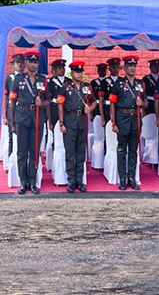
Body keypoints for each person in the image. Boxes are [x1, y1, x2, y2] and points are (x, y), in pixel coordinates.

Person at [9, 51, 50, 195]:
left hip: (37, 119)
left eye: (35, 62)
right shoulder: (18, 79)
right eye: (30, 62)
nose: (33, 65)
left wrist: (41, 103)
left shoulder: (43, 80)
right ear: (26, 63)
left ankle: (32, 182)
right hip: (21, 117)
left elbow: (48, 101)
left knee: (34, 151)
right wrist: (12, 122)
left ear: (38, 64)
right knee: (22, 152)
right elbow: (12, 101)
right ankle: (23, 182)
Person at [57, 61, 96, 193]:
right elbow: (60, 105)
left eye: (81, 72)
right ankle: (71, 180)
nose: (79, 74)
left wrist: (90, 108)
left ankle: (79, 180)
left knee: (80, 152)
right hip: (69, 120)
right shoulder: (65, 87)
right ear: (72, 73)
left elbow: (94, 102)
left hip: (81, 121)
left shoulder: (87, 86)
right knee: (70, 153)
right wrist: (61, 122)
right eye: (76, 72)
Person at [109, 56, 146, 190]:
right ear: (124, 68)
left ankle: (132, 178)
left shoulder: (141, 84)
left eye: (134, 66)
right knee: (121, 149)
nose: (132, 68)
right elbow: (112, 103)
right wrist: (113, 122)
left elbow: (146, 102)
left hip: (135, 118)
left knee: (133, 150)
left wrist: (142, 104)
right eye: (129, 66)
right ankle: (122, 178)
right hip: (122, 117)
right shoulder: (118, 84)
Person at [3, 53, 25, 156]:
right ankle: (11, 159)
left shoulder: (26, 77)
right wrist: (4, 115)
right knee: (11, 135)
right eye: (17, 62)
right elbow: (6, 97)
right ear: (13, 64)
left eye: (21, 62)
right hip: (11, 109)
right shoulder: (9, 78)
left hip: (23, 110)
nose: (19, 64)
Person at [98, 57, 122, 129]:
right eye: (113, 67)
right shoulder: (104, 82)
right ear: (109, 68)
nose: (115, 69)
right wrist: (102, 118)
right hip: (108, 109)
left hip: (120, 109)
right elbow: (101, 101)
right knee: (109, 130)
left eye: (117, 67)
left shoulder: (122, 81)